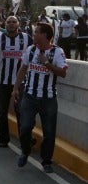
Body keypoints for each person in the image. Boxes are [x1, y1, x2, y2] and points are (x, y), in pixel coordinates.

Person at [13, 22, 68, 173]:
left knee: (49, 132)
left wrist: (47, 64)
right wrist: (16, 89)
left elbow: (63, 73)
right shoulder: (31, 50)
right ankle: (25, 151)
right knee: (24, 127)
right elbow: (23, 69)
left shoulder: (57, 52)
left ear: (45, 35)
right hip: (29, 96)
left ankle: (46, 161)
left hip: (48, 99)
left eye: (36, 32)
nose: (34, 34)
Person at [0, 16, 32, 147]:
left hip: (21, 82)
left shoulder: (27, 38)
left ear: (18, 24)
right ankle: (3, 139)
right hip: (3, 81)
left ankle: (24, 141)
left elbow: (37, 50)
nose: (11, 24)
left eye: (14, 22)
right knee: (2, 111)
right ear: (5, 25)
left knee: (21, 112)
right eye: (9, 22)